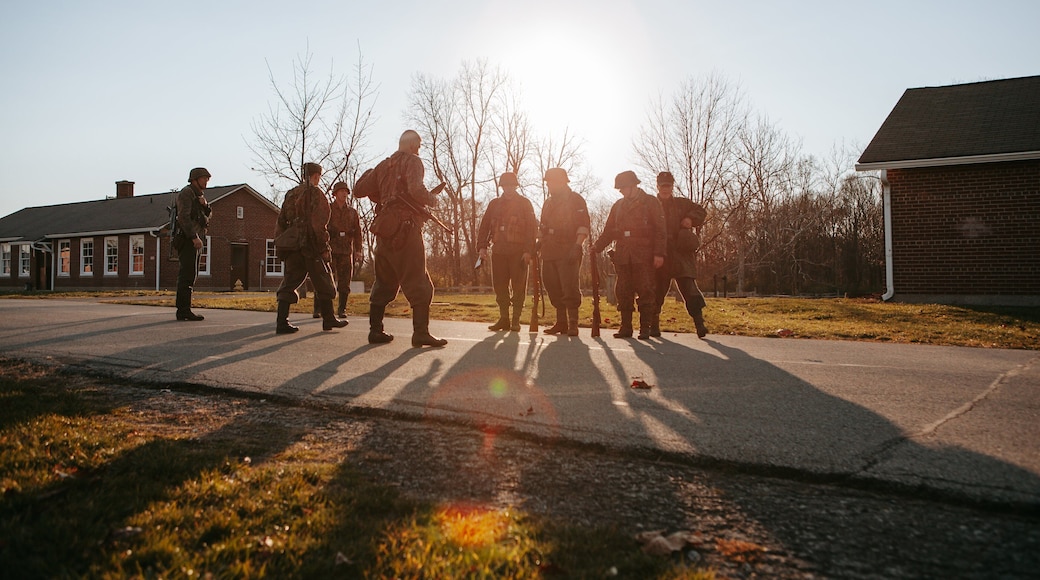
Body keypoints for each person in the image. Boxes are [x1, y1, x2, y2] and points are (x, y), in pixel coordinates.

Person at [368, 130, 447, 347]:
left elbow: (360, 189)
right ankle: (420, 333)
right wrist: (433, 200)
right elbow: (416, 190)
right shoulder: (413, 161)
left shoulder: (384, 165)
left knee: (384, 282)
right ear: (412, 145)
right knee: (419, 282)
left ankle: (375, 331)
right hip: (406, 230)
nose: (419, 149)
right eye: (419, 145)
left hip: (383, 232)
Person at [273, 162, 348, 334]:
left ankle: (281, 321)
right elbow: (319, 224)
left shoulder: (291, 194)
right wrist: (323, 247)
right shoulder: (315, 193)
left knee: (290, 282)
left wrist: (282, 245)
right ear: (316, 176)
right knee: (324, 280)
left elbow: (281, 221)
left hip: (293, 245)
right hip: (310, 246)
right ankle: (328, 319)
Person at [591, 170, 667, 340]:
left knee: (646, 290)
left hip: (644, 255)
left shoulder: (650, 203)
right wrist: (597, 246)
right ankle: (626, 327)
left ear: (633, 186)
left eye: (624, 188)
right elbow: (609, 231)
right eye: (620, 189)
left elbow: (661, 231)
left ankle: (645, 328)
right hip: (623, 256)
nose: (622, 191)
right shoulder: (618, 206)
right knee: (623, 291)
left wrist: (659, 254)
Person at [476, 172, 538, 332]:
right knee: (500, 286)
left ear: (515, 186)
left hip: (519, 252)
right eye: (505, 186)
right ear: (502, 187)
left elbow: (532, 229)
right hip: (498, 252)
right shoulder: (494, 204)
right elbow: (484, 226)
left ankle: (516, 320)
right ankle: (504, 319)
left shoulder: (525, 204)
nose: (508, 189)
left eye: (511, 186)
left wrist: (528, 251)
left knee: (518, 286)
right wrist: (482, 247)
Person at [652, 171, 709, 338]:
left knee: (690, 290)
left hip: (680, 254)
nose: (665, 189)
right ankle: (653, 325)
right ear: (657, 186)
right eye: (662, 185)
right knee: (656, 291)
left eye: (668, 185)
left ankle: (700, 324)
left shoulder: (682, 204)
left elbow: (701, 211)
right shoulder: (651, 204)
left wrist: (690, 219)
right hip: (660, 252)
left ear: (672, 186)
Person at [538, 167, 591, 337]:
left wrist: (577, 245)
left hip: (568, 248)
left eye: (552, 182)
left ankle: (573, 324)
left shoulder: (576, 200)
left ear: (562, 182)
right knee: (552, 286)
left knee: (569, 287)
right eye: (548, 183)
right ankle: (561, 322)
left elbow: (583, 225)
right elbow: (543, 226)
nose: (550, 186)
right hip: (549, 250)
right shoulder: (548, 203)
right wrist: (538, 244)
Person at [174, 167, 212, 321]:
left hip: (195, 240)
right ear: (195, 179)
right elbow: (183, 217)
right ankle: (183, 310)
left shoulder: (199, 196)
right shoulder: (187, 193)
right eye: (204, 178)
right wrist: (194, 237)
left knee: (191, 275)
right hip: (188, 239)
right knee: (186, 275)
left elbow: (206, 217)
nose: (207, 181)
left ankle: (184, 309)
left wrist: (205, 205)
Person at [327, 182, 364, 319]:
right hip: (330, 249)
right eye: (341, 191)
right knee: (326, 280)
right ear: (335, 194)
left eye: (346, 192)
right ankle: (320, 308)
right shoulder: (328, 209)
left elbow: (358, 233)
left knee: (344, 282)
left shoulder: (352, 212)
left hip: (346, 250)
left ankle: (342, 309)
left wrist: (358, 250)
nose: (344, 194)